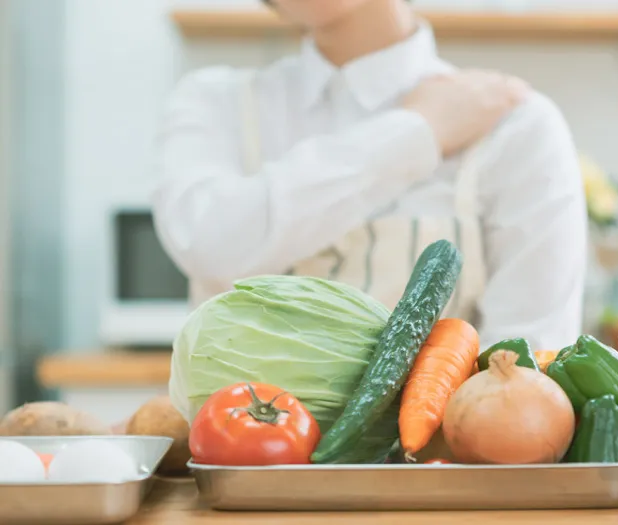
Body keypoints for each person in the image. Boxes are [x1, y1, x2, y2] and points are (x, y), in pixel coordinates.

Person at [152, 0, 587, 350]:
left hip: (444, 460)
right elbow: (212, 245)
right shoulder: (214, 101)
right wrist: (419, 132)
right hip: (240, 457)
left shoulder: (518, 126)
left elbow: (526, 367)